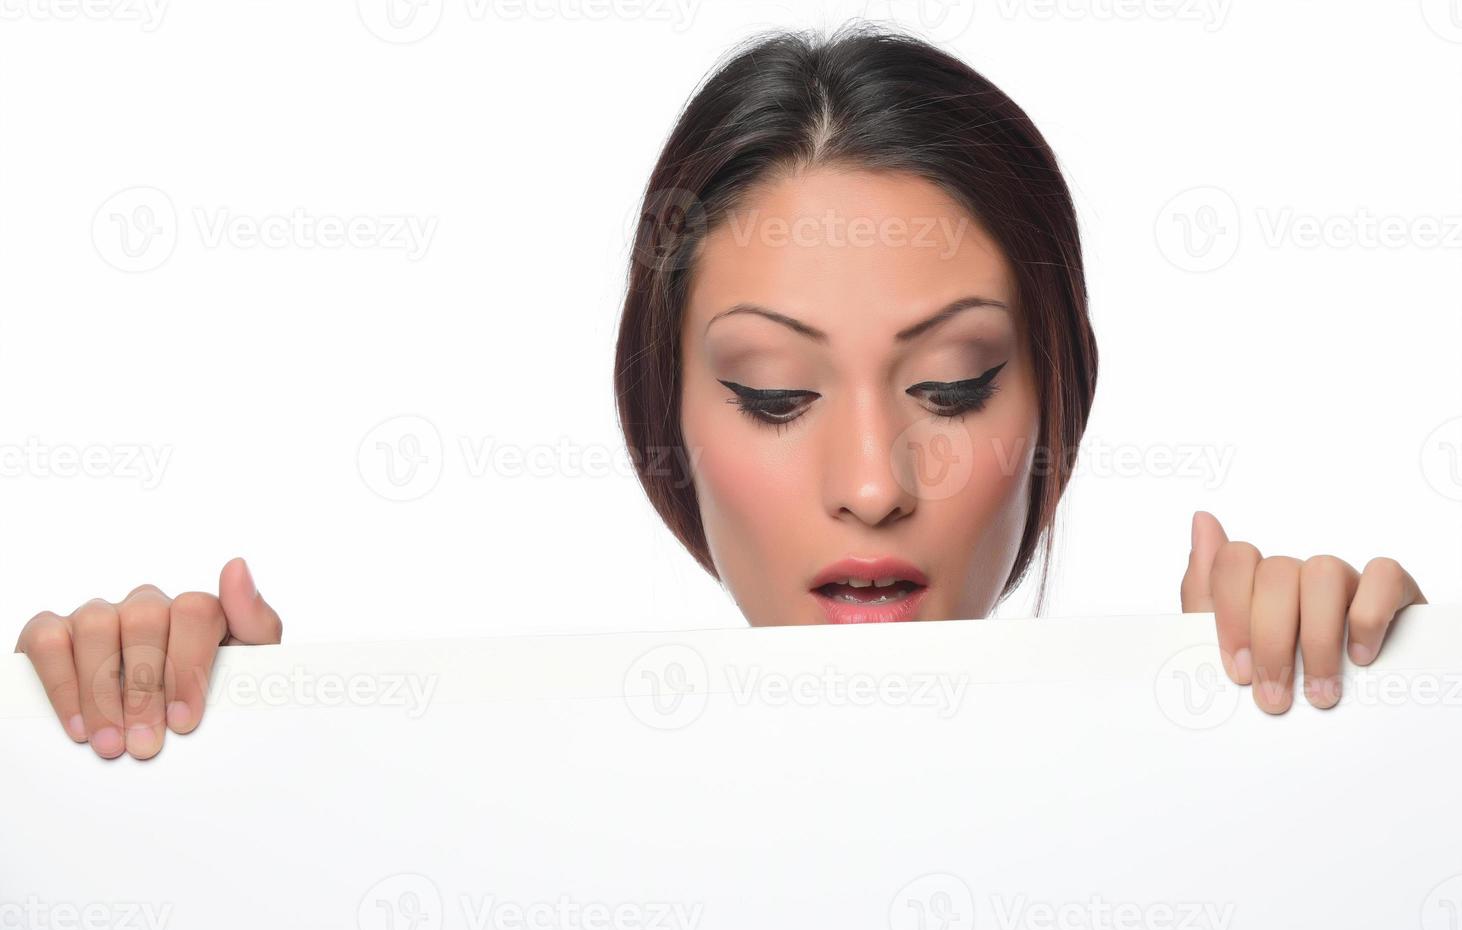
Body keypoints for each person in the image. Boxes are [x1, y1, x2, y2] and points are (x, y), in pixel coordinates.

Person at [12, 22, 1428, 760]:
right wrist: (218, 776)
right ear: (664, 427)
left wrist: (1343, 725)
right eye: (770, 394)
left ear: (1051, 403)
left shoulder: (1240, 782)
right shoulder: (524, 844)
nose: (871, 482)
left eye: (950, 384)